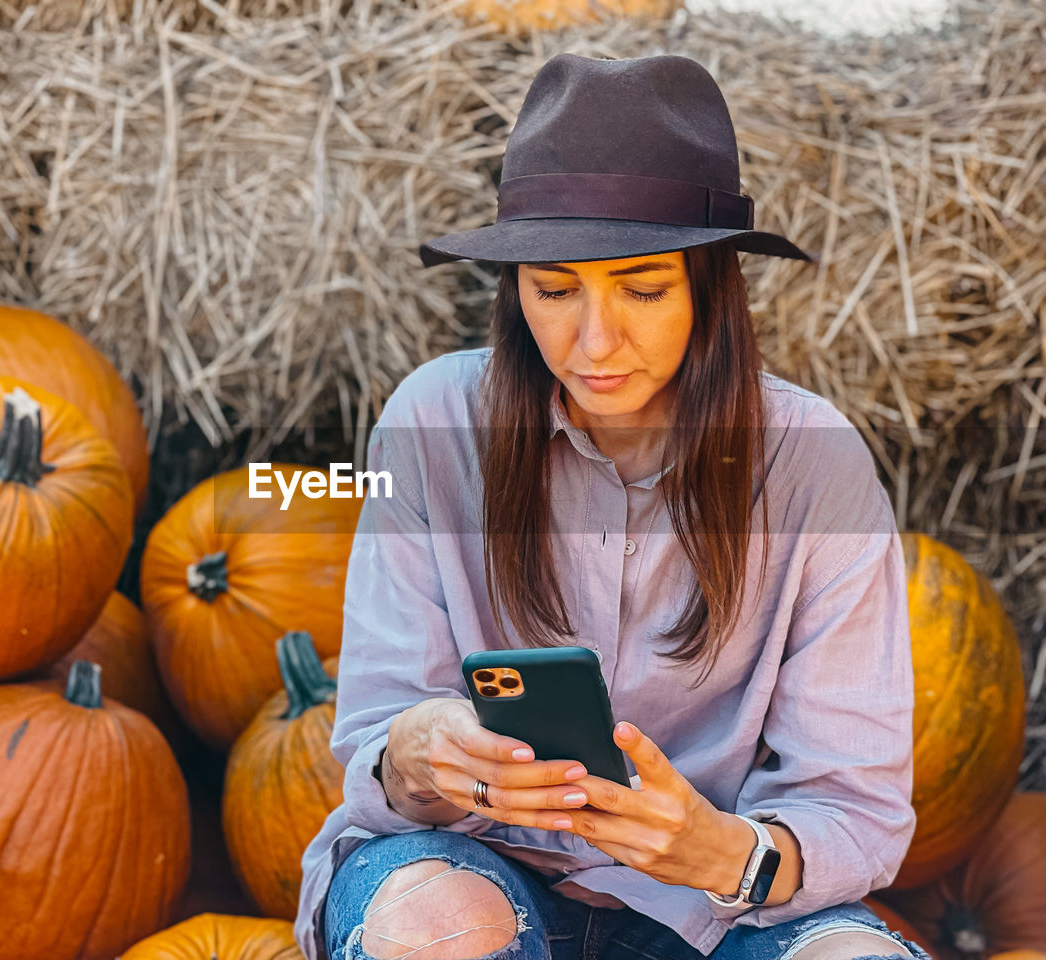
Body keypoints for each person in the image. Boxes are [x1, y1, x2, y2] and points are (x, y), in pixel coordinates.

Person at [296, 53, 927, 960]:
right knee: (435, 930)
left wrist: (727, 851)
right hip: (471, 866)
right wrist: (421, 749)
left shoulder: (814, 463)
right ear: (515, 291)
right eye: (554, 290)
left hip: (711, 910)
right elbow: (373, 742)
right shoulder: (434, 422)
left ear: (712, 288)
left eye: (642, 288)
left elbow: (854, 811)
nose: (594, 341)